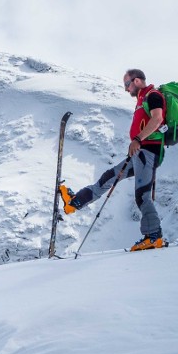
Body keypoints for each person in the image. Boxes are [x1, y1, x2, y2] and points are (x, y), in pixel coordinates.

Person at [59, 68, 166, 251]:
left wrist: (138, 139)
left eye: (127, 84)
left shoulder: (152, 95)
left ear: (137, 81)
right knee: (110, 176)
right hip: (140, 151)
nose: (126, 89)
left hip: (147, 151)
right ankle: (74, 203)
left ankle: (154, 237)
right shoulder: (142, 99)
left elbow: (157, 120)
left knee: (142, 195)